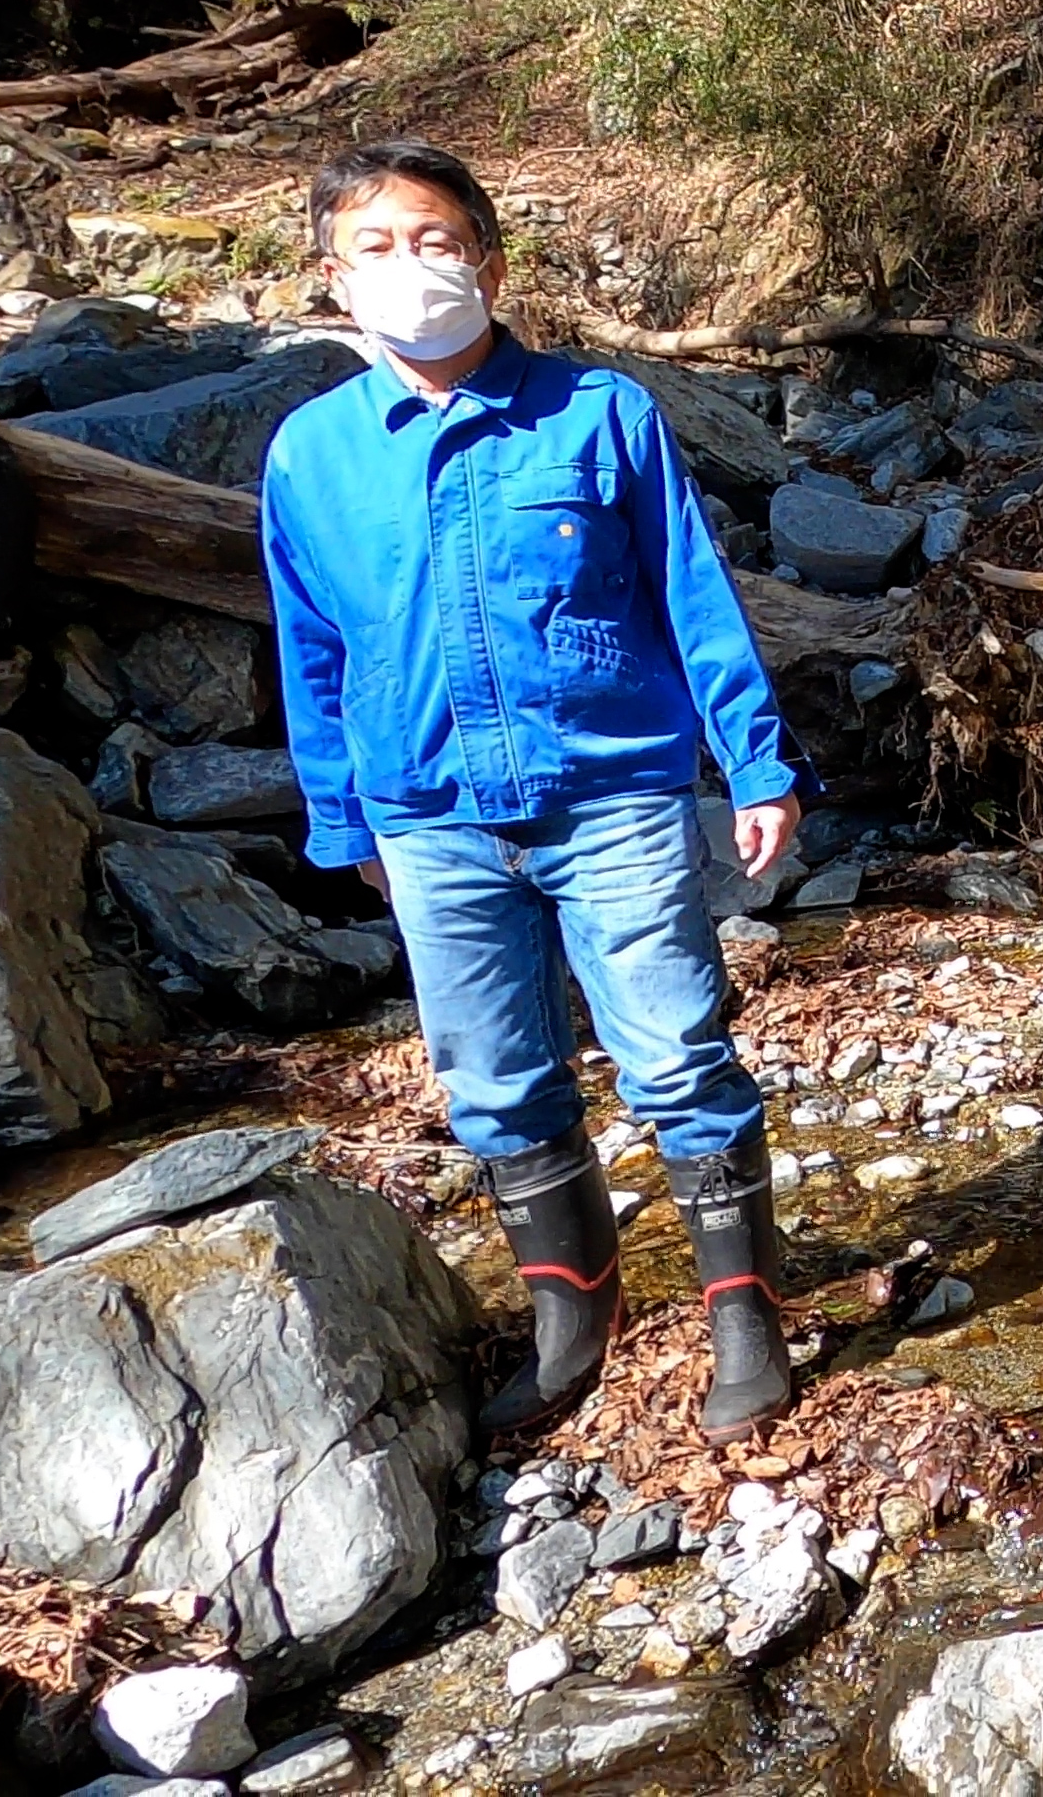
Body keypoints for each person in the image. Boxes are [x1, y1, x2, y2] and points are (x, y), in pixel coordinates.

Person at [262, 136, 803, 1439]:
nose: (413, 269)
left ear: (489, 263)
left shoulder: (599, 413)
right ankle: (576, 1321)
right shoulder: (309, 457)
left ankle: (745, 1317)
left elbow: (692, 597)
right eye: (378, 248)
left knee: (675, 1051)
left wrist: (756, 757)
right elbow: (311, 648)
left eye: (437, 241)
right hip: (430, 826)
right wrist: (344, 825)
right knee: (497, 1081)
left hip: (612, 798)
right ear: (336, 283)